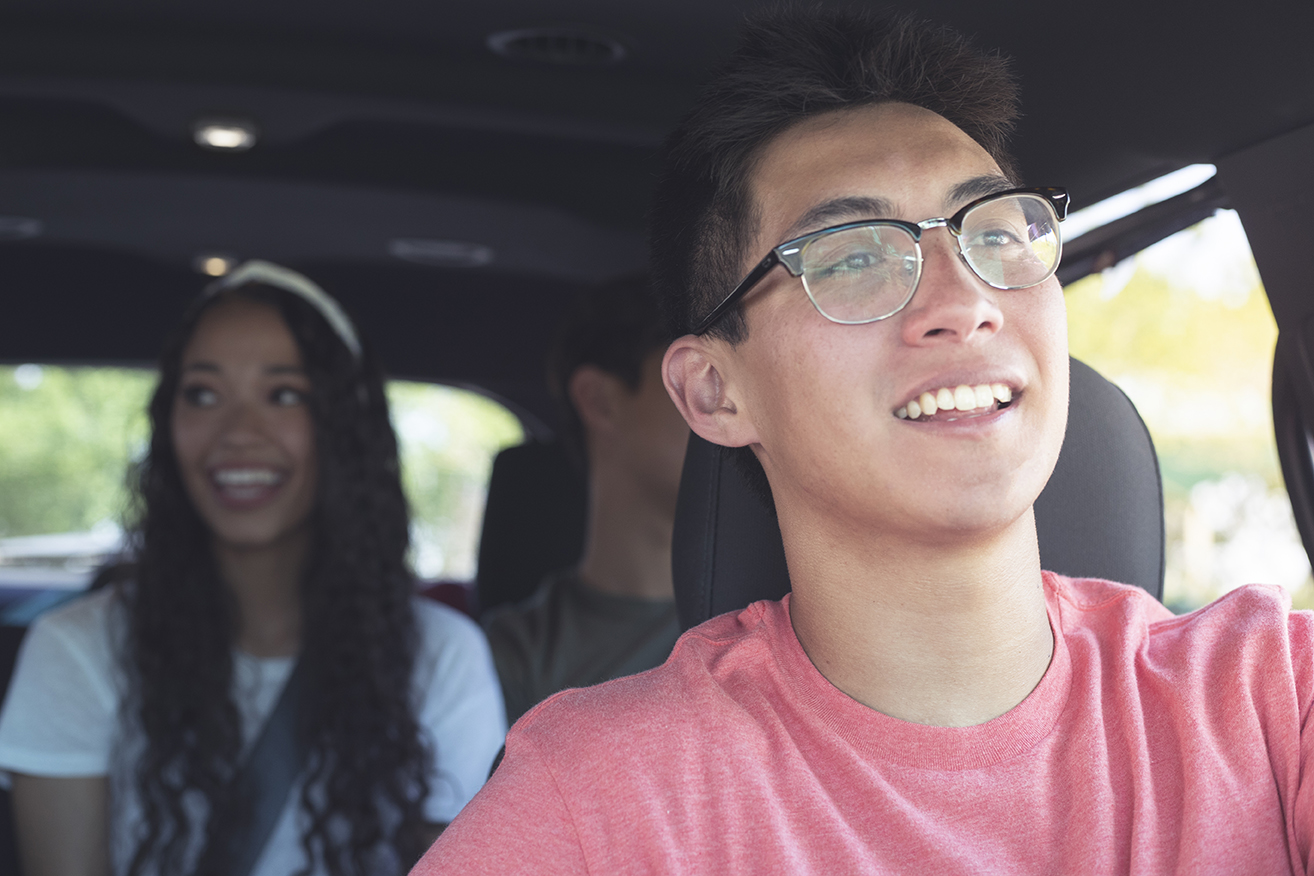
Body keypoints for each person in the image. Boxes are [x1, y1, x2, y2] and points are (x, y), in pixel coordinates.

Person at [415, 7, 1314, 874]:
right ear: (715, 392)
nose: (965, 304)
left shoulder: (1270, 697)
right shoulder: (600, 801)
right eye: (852, 256)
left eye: (996, 233)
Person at [0, 261, 506, 876]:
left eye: (284, 394)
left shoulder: (443, 656)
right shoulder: (76, 651)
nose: (238, 432)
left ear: (344, 429)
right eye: (203, 394)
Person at [481, 277, 689, 725]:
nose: (727, 407)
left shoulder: (792, 623)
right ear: (600, 400)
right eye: (692, 377)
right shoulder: (513, 658)